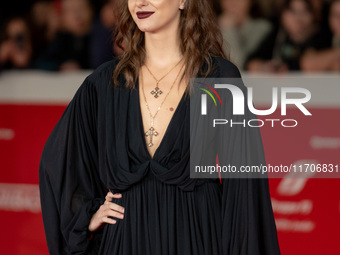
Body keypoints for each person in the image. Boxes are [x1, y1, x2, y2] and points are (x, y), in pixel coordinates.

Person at [39, 0, 281, 254]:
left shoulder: (219, 76)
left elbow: (244, 185)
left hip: (197, 235)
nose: (141, 2)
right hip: (126, 237)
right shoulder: (104, 82)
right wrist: (86, 213)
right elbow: (58, 160)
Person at [245, 0, 319, 73]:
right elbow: (251, 62)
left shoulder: (320, 37)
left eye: (304, 12)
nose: (298, 18)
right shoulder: (278, 36)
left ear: (313, 15)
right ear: (282, 15)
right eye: (293, 12)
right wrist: (264, 67)